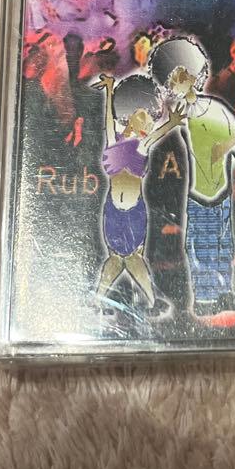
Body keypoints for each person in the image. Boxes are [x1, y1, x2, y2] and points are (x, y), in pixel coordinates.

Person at [147, 36, 235, 324]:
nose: (180, 82)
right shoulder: (186, 116)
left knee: (224, 245)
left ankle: (223, 291)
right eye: (174, 78)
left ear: (195, 72)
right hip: (202, 197)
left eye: (183, 74)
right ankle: (205, 298)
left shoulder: (215, 107)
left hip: (221, 194)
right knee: (202, 247)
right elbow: (213, 152)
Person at [91, 72, 183, 311]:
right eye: (144, 117)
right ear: (131, 117)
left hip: (134, 212)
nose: (148, 124)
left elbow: (157, 134)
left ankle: (151, 301)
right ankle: (98, 300)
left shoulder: (141, 145)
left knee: (134, 257)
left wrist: (172, 123)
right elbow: (109, 119)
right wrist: (110, 89)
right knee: (115, 257)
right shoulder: (114, 140)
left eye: (150, 121)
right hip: (113, 210)